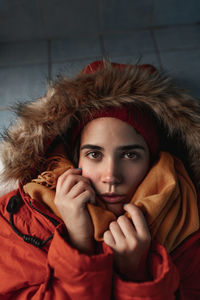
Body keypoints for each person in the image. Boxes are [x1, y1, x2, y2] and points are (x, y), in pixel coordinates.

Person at [0, 60, 200, 299]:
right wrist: (78, 246)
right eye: (94, 154)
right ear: (76, 159)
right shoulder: (20, 215)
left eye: (130, 155)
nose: (111, 176)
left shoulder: (190, 221)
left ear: (153, 161)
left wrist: (137, 273)